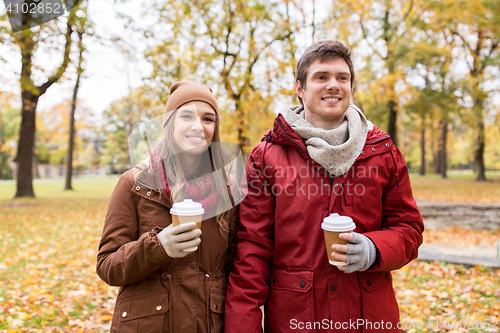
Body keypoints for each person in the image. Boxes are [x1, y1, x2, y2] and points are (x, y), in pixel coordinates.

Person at [224, 40, 424, 332]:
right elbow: (252, 251)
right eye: (321, 77)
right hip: (296, 320)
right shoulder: (267, 156)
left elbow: (409, 228)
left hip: (369, 320)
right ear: (300, 88)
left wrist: (374, 249)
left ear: (351, 88)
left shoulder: (382, 152)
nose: (334, 85)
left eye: (342, 78)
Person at [97, 81, 240, 333]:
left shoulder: (228, 190)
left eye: (208, 119)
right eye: (187, 116)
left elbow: (234, 269)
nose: (198, 126)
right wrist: (158, 247)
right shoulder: (135, 183)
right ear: (169, 123)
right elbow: (107, 266)